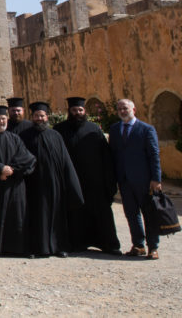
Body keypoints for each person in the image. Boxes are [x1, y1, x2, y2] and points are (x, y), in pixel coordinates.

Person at [54, 97, 120, 255]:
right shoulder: (59, 129)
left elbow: (106, 156)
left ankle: (109, 244)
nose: (77, 113)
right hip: (72, 180)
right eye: (74, 110)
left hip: (95, 181)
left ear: (85, 111)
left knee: (102, 214)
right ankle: (77, 243)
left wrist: (109, 181)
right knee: (75, 214)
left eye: (80, 110)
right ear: (69, 111)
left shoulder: (94, 129)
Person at [20, 102, 83, 258]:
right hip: (33, 183)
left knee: (57, 215)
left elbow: (65, 160)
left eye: (42, 116)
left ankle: (59, 246)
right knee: (36, 216)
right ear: (32, 117)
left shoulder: (55, 135)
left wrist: (72, 183)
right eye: (36, 116)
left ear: (46, 117)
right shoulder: (24, 136)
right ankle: (37, 247)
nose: (39, 118)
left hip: (55, 182)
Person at [108, 98, 162, 260]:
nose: (123, 111)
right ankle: (138, 245)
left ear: (134, 110)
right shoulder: (115, 130)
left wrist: (156, 178)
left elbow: (154, 155)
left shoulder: (146, 129)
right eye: (120, 109)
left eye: (125, 108)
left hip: (144, 180)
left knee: (149, 213)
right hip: (124, 180)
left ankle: (153, 247)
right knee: (131, 213)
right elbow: (114, 154)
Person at [0, 106, 35, 258]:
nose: (1, 121)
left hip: (15, 184)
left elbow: (27, 158)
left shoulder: (15, 138)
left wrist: (11, 170)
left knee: (17, 215)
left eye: (3, 119)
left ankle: (18, 248)